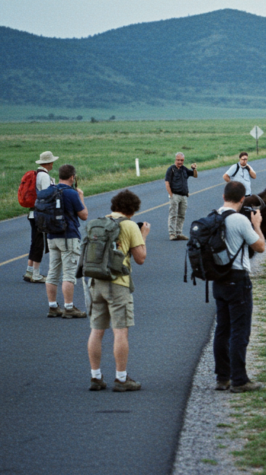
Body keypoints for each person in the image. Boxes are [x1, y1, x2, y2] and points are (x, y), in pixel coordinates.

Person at [86, 189, 150, 392]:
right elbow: (140, 258)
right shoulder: (130, 225)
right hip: (118, 282)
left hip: (95, 281)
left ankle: (96, 376)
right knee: (120, 331)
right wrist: (143, 235)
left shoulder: (98, 223)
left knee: (96, 330)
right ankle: (121, 378)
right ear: (133, 209)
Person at [213, 181, 266, 393]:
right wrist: (257, 225)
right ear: (242, 199)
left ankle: (222, 377)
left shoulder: (214, 216)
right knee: (240, 332)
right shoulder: (240, 221)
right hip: (238, 280)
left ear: (223, 195)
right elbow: (260, 247)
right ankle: (240, 380)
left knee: (222, 329)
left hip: (218, 280)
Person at [44, 164, 89, 319]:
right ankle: (69, 307)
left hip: (51, 236)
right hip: (68, 236)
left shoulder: (50, 190)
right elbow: (84, 215)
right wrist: (81, 197)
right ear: (72, 177)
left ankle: (52, 306)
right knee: (68, 273)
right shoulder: (71, 193)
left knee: (52, 272)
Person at [24, 151, 57, 283]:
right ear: (49, 163)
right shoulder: (44, 176)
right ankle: (36, 274)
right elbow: (46, 195)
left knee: (35, 242)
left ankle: (29, 271)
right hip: (40, 214)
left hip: (33, 213)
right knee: (39, 244)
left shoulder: (38, 174)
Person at [165, 152, 198, 241]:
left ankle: (179, 233)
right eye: (178, 160)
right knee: (173, 215)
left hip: (184, 196)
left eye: (182, 160)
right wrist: (171, 195)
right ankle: (172, 234)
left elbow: (195, 175)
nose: (180, 162)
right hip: (175, 195)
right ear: (175, 159)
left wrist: (194, 169)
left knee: (181, 215)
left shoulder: (184, 169)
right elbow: (167, 182)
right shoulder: (171, 169)